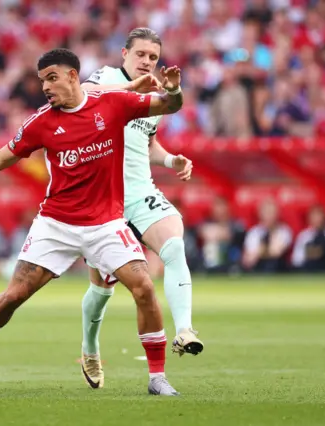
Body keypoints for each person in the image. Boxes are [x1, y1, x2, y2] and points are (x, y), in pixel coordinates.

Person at [0, 48, 185, 395]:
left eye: (51, 78)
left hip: (106, 224)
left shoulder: (113, 104)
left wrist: (173, 90)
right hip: (56, 223)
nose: (45, 87)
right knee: (14, 295)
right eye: (42, 81)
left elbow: (168, 106)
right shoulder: (41, 122)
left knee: (144, 288)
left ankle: (157, 378)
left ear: (72, 76)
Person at [78, 27, 201, 389]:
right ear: (124, 54)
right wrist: (131, 89)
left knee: (175, 246)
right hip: (102, 199)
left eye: (153, 57)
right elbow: (85, 94)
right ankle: (89, 348)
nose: (147, 62)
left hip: (139, 192)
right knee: (101, 290)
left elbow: (148, 144)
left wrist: (171, 159)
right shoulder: (106, 78)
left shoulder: (155, 98)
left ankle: (184, 331)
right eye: (141, 55)